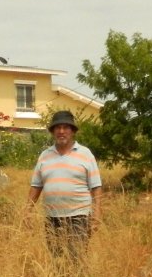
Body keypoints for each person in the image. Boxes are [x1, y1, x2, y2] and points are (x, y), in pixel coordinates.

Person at [28, 110, 102, 260]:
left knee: (76, 258)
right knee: (57, 260)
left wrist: (98, 212)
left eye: (66, 127)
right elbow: (36, 185)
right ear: (53, 131)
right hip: (52, 218)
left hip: (78, 217)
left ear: (72, 131)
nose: (61, 131)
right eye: (57, 128)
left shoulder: (85, 154)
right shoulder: (45, 156)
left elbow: (96, 186)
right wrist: (27, 210)